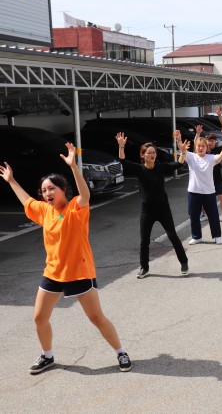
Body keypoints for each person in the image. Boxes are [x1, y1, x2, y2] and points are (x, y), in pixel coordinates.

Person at [0, 144, 132, 374]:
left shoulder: (75, 209)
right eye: (44, 191)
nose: (47, 194)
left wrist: (73, 166)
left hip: (79, 272)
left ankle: (120, 351)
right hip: (53, 273)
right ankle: (47, 356)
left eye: (52, 188)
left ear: (62, 190)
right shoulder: (44, 210)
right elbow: (27, 201)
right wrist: (11, 180)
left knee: (96, 318)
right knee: (39, 317)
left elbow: (86, 194)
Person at [115, 132, 190, 278]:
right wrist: (121, 147)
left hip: (163, 208)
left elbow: (179, 163)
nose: (152, 155)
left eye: (154, 152)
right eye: (149, 153)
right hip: (147, 210)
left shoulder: (160, 167)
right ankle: (144, 267)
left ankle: (184, 262)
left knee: (172, 235)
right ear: (142, 155)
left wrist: (183, 151)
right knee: (144, 241)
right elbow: (123, 161)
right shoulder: (139, 169)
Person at [179, 131, 222, 245]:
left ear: (207, 148)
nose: (201, 148)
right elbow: (182, 154)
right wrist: (179, 140)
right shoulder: (191, 157)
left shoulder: (210, 158)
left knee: (213, 215)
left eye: (203, 146)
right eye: (198, 146)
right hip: (193, 192)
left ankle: (217, 236)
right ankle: (196, 236)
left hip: (209, 192)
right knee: (193, 215)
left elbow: (220, 157)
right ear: (195, 147)